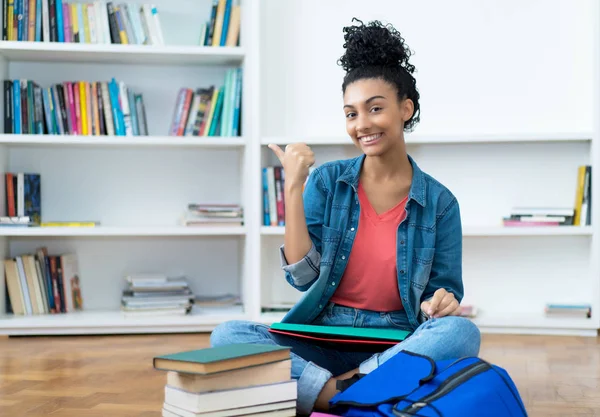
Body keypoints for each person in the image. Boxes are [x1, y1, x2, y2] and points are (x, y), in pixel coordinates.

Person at [210, 18, 481, 416]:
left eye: (375, 109)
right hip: (322, 334)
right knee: (228, 335)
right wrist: (293, 187)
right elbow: (301, 278)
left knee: (461, 332)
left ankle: (327, 392)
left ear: (406, 109)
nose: (362, 124)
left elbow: (444, 293)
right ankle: (358, 394)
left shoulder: (441, 203)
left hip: (394, 340)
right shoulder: (327, 181)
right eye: (351, 113)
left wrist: (440, 303)